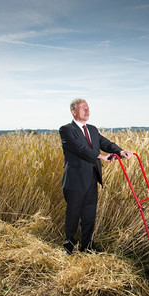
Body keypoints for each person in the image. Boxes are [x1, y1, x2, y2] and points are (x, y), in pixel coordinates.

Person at [59, 98, 133, 254]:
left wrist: (120, 151)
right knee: (73, 214)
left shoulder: (92, 129)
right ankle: (69, 247)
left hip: (92, 178)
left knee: (89, 215)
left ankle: (87, 246)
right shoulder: (66, 130)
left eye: (87, 107)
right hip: (75, 181)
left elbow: (104, 142)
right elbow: (79, 149)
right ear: (73, 112)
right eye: (82, 108)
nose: (87, 110)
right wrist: (101, 156)